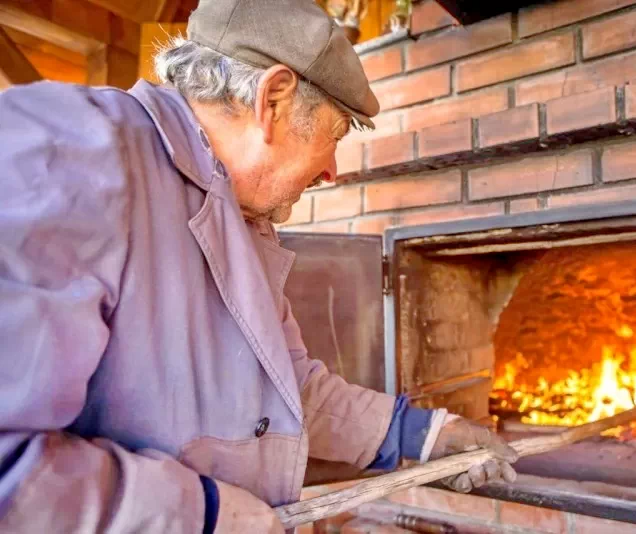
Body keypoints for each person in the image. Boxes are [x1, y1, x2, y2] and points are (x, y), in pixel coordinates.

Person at [0, 1, 517, 532]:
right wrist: (205, 514)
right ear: (273, 99)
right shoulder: (70, 149)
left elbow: (285, 387)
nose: (333, 172)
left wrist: (425, 435)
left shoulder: (239, 220)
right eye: (336, 134)